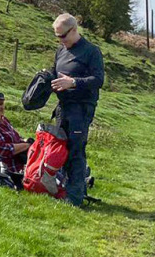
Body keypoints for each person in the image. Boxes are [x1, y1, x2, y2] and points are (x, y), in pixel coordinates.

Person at [50, 13, 105, 206]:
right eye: (57, 37)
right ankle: (62, 188)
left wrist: (72, 82)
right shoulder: (60, 51)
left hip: (81, 109)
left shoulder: (91, 51)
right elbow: (53, 72)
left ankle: (74, 198)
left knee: (75, 151)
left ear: (74, 30)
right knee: (61, 148)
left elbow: (98, 80)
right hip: (62, 108)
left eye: (63, 36)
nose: (60, 40)